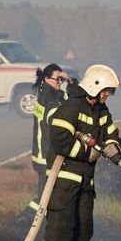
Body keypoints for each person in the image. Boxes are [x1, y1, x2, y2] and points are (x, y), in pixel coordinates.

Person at [37, 64, 121, 241]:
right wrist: (86, 152)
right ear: (95, 87)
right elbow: (59, 139)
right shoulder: (72, 106)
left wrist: (113, 146)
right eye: (106, 91)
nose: (107, 96)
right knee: (61, 226)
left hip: (85, 181)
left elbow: (110, 132)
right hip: (65, 178)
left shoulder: (101, 110)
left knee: (84, 228)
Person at [28, 63, 70, 213]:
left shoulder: (56, 94)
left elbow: (75, 98)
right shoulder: (48, 97)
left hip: (47, 153)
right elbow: (54, 119)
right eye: (57, 79)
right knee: (43, 197)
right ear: (47, 79)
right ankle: (24, 222)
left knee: (47, 194)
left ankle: (35, 223)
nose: (59, 83)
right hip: (44, 154)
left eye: (61, 80)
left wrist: (70, 81)